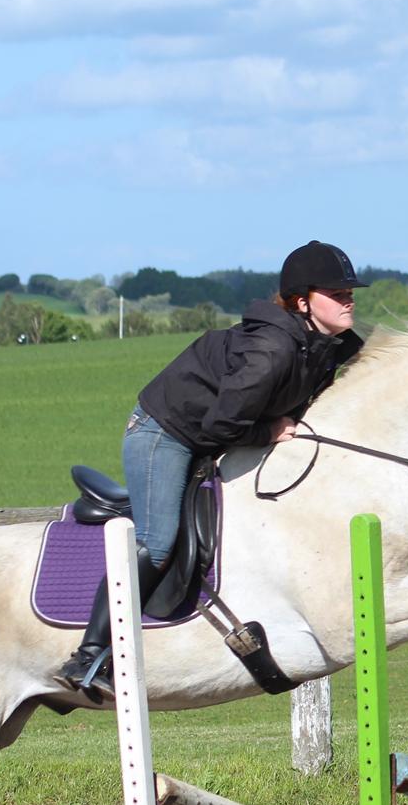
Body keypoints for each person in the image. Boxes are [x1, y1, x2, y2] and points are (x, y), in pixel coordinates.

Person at [58, 240, 368, 697]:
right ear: (303, 301)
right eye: (337, 292)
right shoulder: (272, 351)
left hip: (215, 431)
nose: (349, 299)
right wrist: (270, 431)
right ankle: (89, 653)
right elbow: (220, 424)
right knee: (157, 543)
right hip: (166, 431)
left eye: (350, 292)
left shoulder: (325, 343)